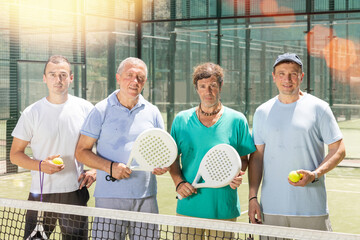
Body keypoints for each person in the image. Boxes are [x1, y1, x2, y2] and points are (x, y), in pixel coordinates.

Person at [248, 53, 346, 235]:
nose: (287, 79)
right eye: (281, 73)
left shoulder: (319, 108)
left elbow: (338, 149)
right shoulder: (262, 112)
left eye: (293, 73)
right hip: (271, 209)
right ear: (274, 77)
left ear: (301, 77)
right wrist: (253, 196)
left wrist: (315, 174)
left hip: (311, 210)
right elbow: (257, 158)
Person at [75, 57, 168, 240]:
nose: (135, 81)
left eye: (140, 78)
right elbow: (81, 152)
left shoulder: (153, 112)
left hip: (146, 197)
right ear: (118, 77)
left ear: (145, 82)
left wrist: (160, 165)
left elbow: (160, 152)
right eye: (129, 76)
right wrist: (110, 167)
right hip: (109, 199)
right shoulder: (100, 110)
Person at [10, 55, 96, 239]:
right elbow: (15, 155)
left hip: (75, 192)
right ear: (44, 78)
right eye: (52, 74)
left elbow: (99, 146)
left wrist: (94, 170)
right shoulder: (31, 113)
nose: (58, 80)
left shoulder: (86, 109)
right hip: (41, 195)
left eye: (63, 75)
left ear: (71, 78)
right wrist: (41, 165)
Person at [169, 62, 256, 240]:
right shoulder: (181, 120)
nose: (208, 91)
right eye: (203, 86)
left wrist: (239, 173)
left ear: (220, 86)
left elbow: (243, 158)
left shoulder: (237, 120)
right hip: (188, 208)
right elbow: (172, 158)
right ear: (197, 88)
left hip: (223, 209)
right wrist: (178, 182)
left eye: (213, 85)